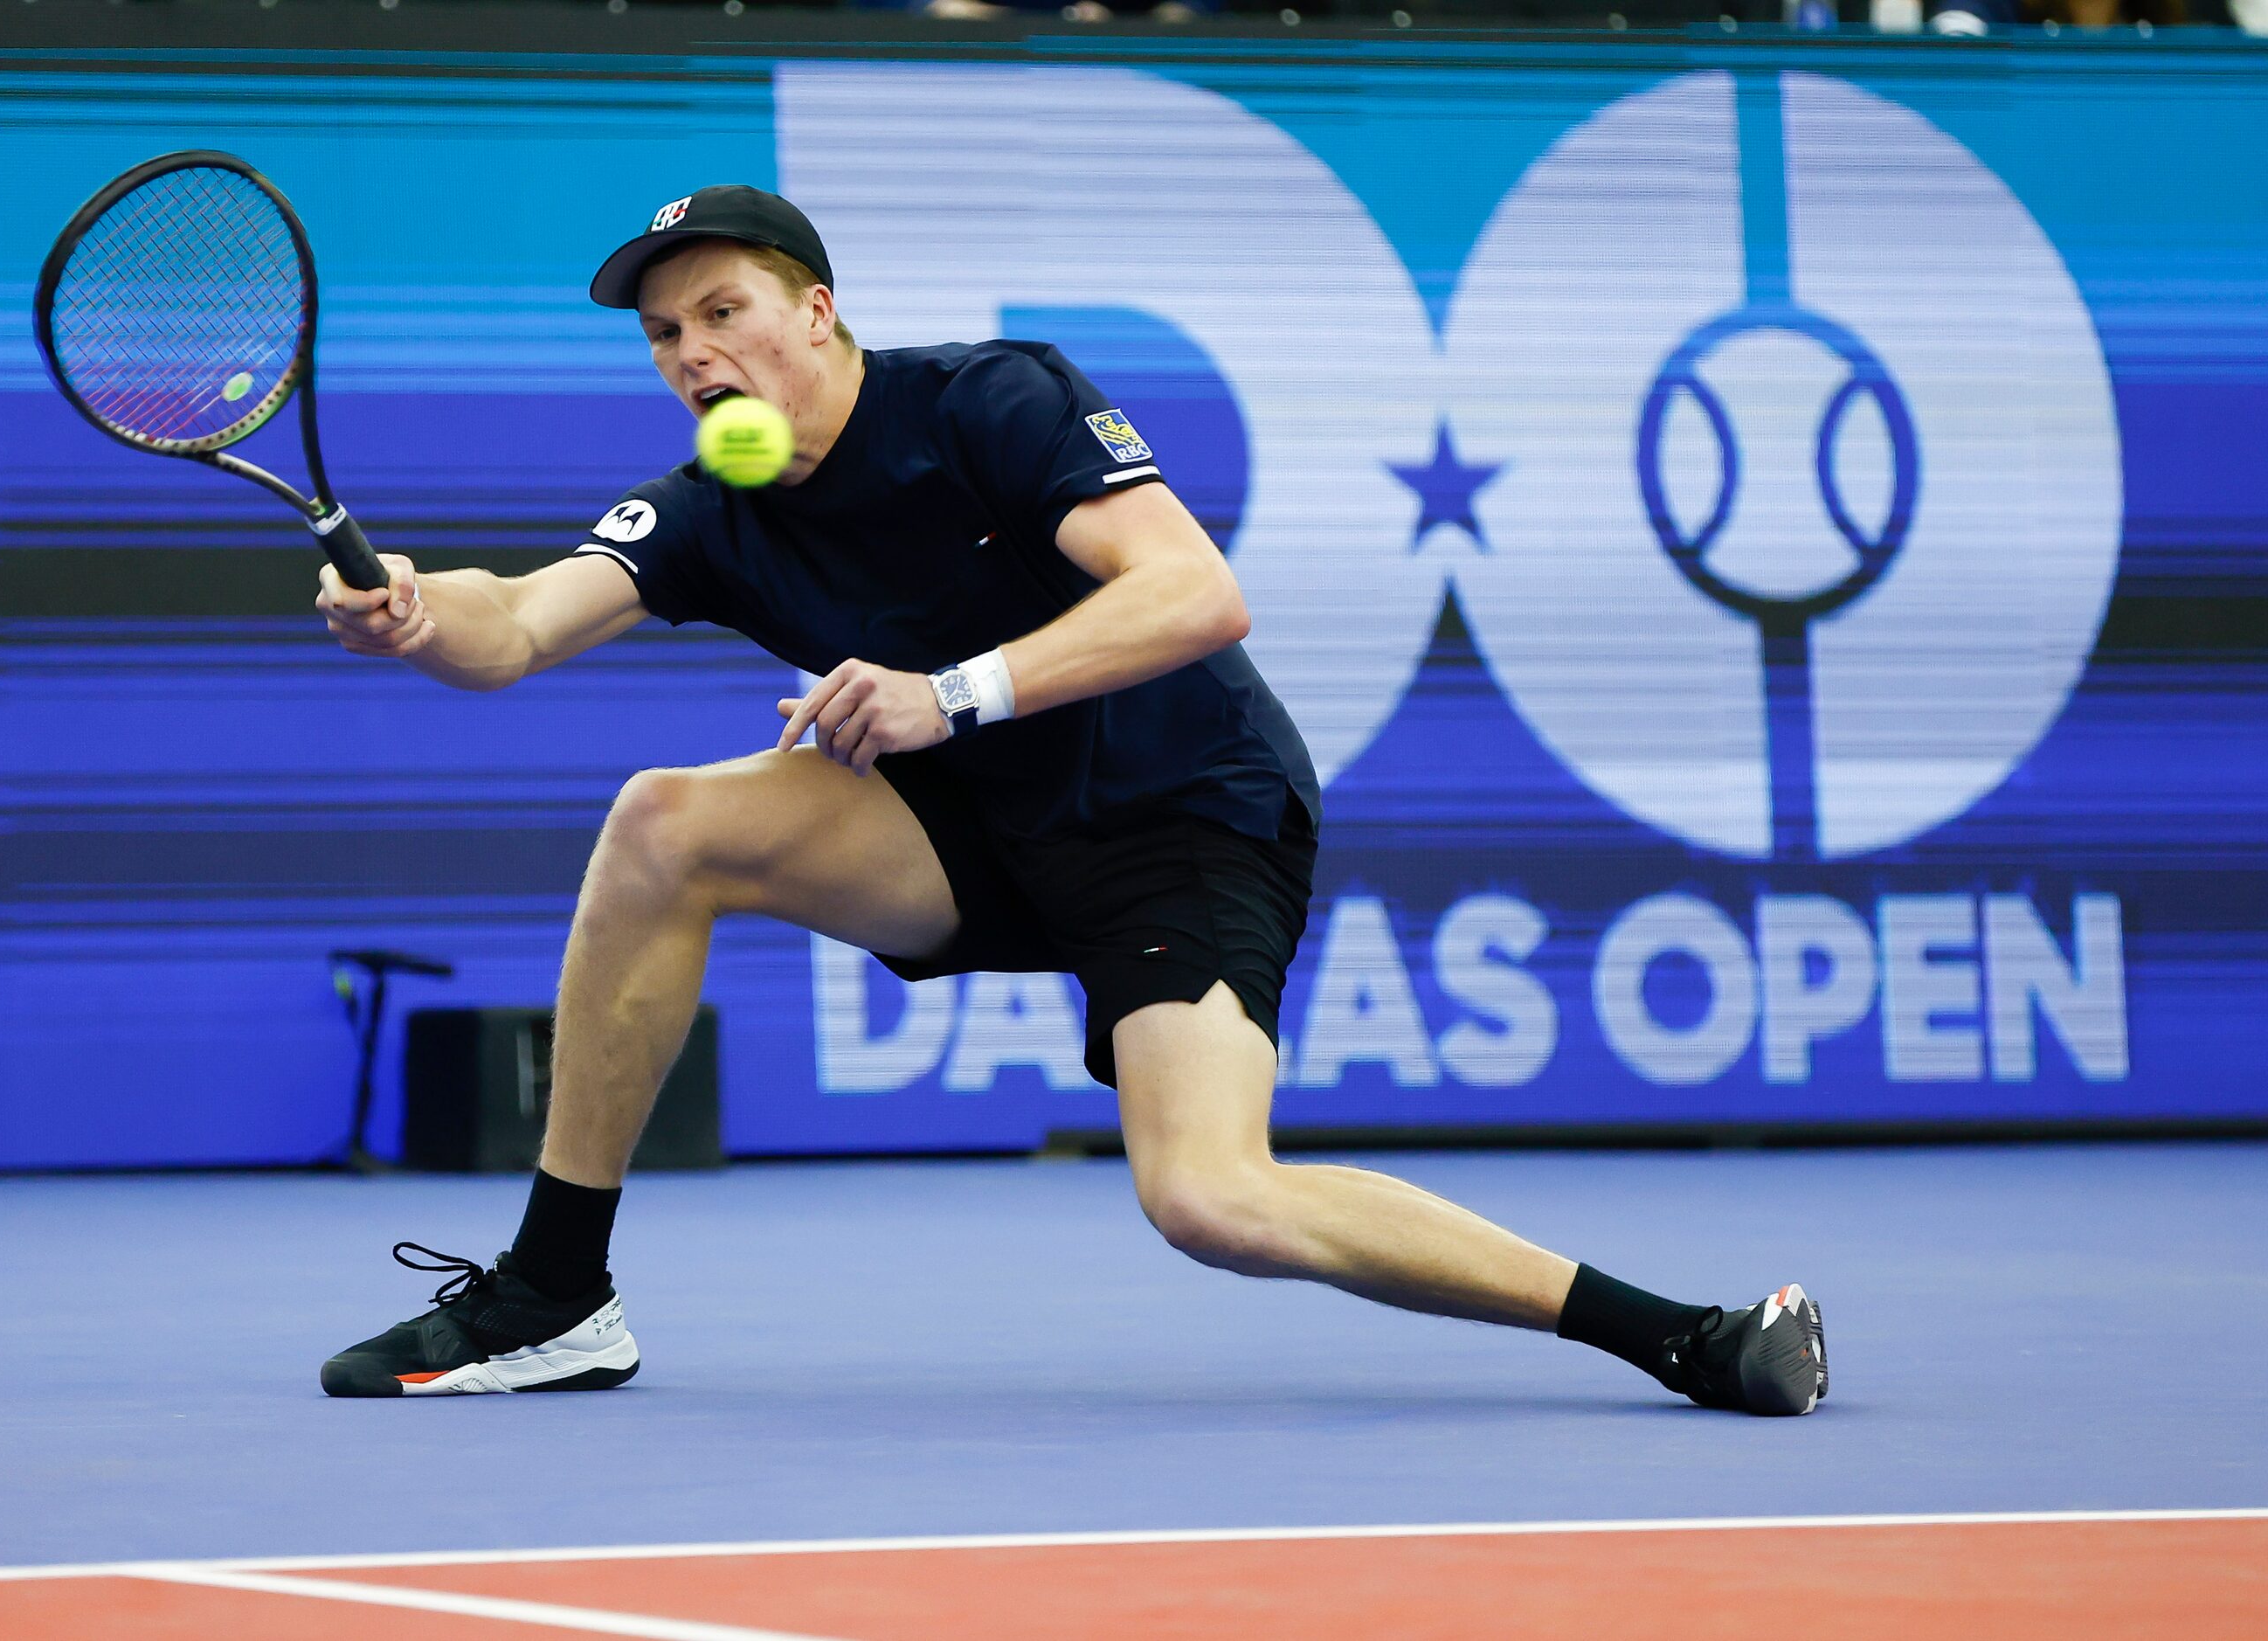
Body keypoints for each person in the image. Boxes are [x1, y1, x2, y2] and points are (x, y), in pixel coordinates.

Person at [313, 185, 1829, 1416]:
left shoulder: (991, 400)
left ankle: (1681, 1332)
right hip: (968, 831)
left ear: (817, 312)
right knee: (667, 820)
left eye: (725, 313)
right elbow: (511, 625)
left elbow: (1196, 592)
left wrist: (942, 693)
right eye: (664, 334)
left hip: (1182, 811)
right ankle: (557, 1289)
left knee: (1214, 1199)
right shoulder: (709, 505)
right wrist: (407, 611)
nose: (695, 353)